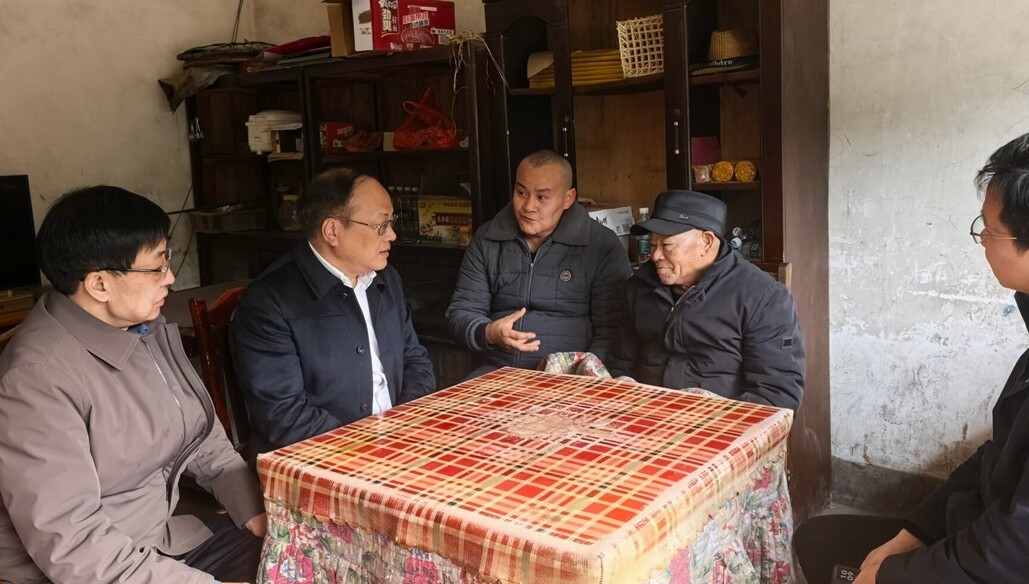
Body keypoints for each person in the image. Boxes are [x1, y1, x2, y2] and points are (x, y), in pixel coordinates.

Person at [754, 127, 1029, 584]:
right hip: (1006, 545)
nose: (981, 239)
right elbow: (999, 455)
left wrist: (893, 574)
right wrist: (916, 532)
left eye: (989, 229)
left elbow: (1024, 557)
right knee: (821, 539)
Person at [0, 186, 267, 584]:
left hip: (157, 543)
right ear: (99, 284)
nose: (171, 277)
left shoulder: (140, 332)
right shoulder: (36, 378)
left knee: (299, 565)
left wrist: (256, 514)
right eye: (158, 265)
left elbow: (204, 442)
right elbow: (71, 543)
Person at [232, 168, 435, 464]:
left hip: (397, 443)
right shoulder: (270, 301)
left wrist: (401, 429)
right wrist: (366, 448)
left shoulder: (385, 279)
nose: (392, 235)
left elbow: (416, 361)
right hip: (318, 460)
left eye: (391, 223)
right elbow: (283, 414)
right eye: (381, 225)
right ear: (332, 231)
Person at [606, 189, 804, 410]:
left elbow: (777, 395)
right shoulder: (640, 286)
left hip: (719, 419)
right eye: (652, 245)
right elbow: (621, 362)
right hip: (645, 413)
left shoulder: (762, 297)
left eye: (667, 246)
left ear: (707, 242)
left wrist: (708, 419)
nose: (655, 256)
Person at [446, 150, 631, 376]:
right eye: (521, 192)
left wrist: (585, 373)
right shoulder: (488, 239)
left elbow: (613, 329)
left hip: (570, 375)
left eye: (542, 197)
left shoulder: (600, 245)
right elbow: (462, 311)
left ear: (568, 199)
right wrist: (488, 333)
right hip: (497, 369)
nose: (528, 206)